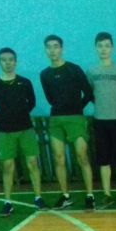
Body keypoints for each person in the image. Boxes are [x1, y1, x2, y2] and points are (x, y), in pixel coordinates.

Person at [0, 48, 48, 216]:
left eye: (11, 59)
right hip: (5, 132)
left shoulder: (25, 82)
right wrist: (0, 117)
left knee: (32, 163)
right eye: (4, 60)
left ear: (15, 61)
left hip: (26, 129)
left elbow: (32, 102)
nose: (8, 62)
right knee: (7, 166)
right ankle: (8, 202)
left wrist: (22, 115)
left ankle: (38, 198)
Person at [40, 34, 95, 210]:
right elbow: (50, 99)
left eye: (55, 46)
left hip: (76, 119)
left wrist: (77, 108)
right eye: (49, 47)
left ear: (61, 49)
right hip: (56, 120)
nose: (52, 50)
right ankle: (65, 196)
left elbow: (88, 93)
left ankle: (90, 196)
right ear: (45, 50)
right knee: (59, 158)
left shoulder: (74, 69)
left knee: (82, 156)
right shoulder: (45, 74)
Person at [86, 32, 116, 209]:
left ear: (112, 48)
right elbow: (89, 93)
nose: (103, 49)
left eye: (107, 46)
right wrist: (102, 105)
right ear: (95, 48)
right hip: (100, 121)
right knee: (103, 159)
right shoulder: (91, 71)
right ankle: (106, 194)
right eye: (100, 46)